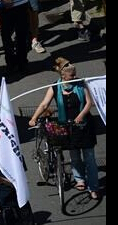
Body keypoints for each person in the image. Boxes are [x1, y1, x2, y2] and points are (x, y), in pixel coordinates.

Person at [28, 57, 99, 199]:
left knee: (89, 158)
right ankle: (79, 179)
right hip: (67, 126)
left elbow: (89, 103)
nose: (75, 77)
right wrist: (34, 118)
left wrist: (81, 115)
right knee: (74, 156)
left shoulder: (81, 84)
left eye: (75, 74)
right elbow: (44, 104)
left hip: (84, 125)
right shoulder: (55, 87)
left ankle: (93, 187)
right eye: (72, 75)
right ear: (63, 76)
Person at [0, 143, 34, 225]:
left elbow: (21, 184)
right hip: (2, 205)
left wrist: (3, 181)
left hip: (19, 202)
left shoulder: (17, 158)